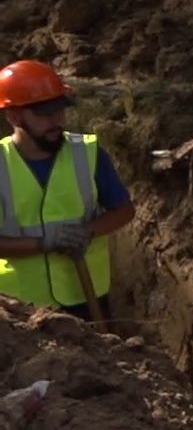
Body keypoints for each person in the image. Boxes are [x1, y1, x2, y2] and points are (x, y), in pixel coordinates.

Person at [0, 60, 136, 323]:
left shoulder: (87, 153)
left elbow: (124, 210)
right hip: (19, 309)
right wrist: (42, 243)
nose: (56, 121)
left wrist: (88, 231)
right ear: (14, 116)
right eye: (44, 114)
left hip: (85, 298)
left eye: (60, 111)